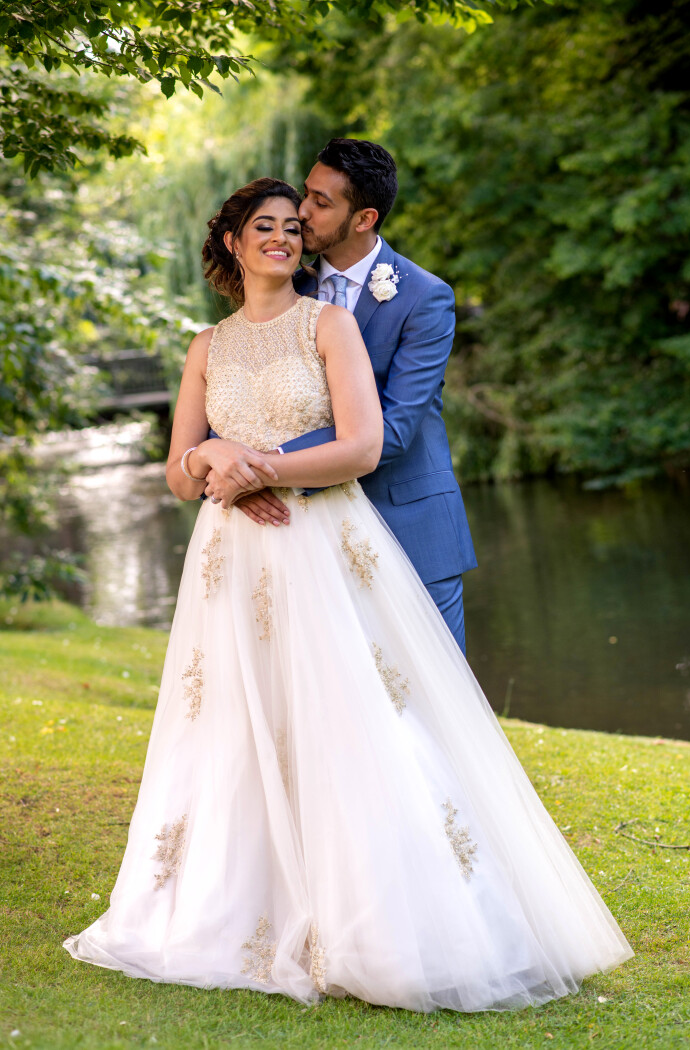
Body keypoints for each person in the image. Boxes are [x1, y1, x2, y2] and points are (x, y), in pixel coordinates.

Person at [64, 177, 633, 1012]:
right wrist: (207, 462)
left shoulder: (328, 326)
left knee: (353, 719)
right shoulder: (204, 347)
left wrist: (258, 465)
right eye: (264, 227)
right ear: (231, 241)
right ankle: (242, 904)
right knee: (233, 725)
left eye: (294, 228)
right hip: (230, 562)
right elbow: (176, 470)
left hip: (321, 544)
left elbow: (364, 446)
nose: (283, 239)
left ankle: (379, 921)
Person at [232, 139, 475, 655]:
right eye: (306, 193)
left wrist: (263, 466)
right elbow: (242, 385)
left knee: (436, 706)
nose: (301, 211)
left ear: (364, 218)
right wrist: (222, 455)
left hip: (410, 528)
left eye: (321, 202)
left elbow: (392, 431)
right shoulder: (285, 284)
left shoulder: (424, 298)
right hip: (312, 537)